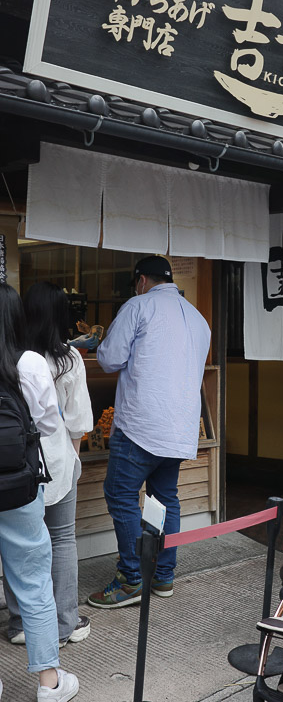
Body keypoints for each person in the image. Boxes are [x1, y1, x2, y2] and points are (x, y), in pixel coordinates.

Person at [88, 255, 211, 608]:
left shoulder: (138, 306)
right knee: (164, 497)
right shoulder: (199, 318)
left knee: (121, 494)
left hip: (142, 425)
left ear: (141, 280)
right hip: (180, 428)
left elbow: (109, 359)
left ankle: (130, 579)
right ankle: (163, 575)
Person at [0, 283, 79, 701]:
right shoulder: (29, 362)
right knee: (33, 582)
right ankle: (50, 684)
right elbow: (49, 425)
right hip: (17, 485)